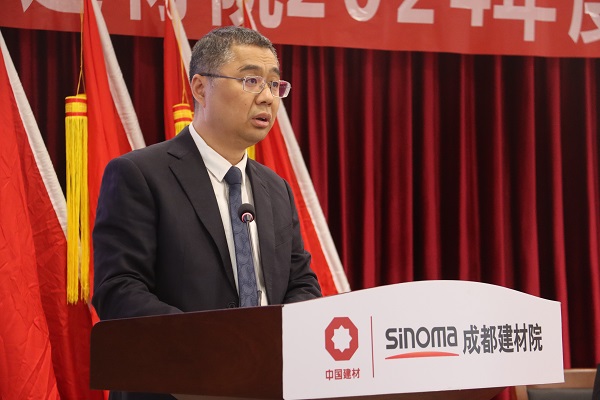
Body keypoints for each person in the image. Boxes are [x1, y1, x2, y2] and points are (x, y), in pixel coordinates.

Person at [92, 26, 322, 399]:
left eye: (274, 84)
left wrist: (275, 343)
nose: (267, 97)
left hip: (266, 383)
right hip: (175, 385)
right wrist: (213, 347)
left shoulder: (275, 188)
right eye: (251, 81)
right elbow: (119, 289)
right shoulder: (140, 175)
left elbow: (302, 283)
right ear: (200, 88)